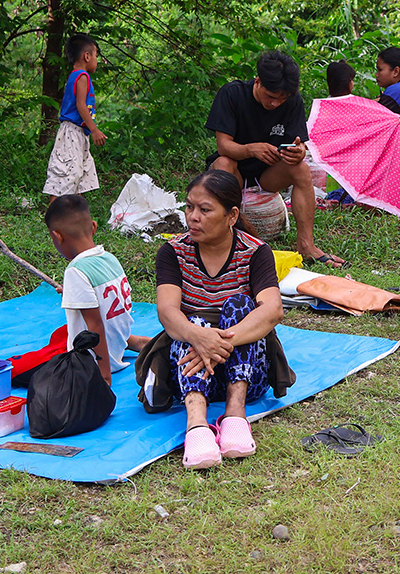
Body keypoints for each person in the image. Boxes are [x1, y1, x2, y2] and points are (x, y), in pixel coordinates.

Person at [150, 170, 294, 469]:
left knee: (240, 306)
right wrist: (198, 336)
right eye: (189, 207)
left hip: (247, 377)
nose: (193, 217)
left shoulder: (255, 252)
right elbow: (167, 312)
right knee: (193, 321)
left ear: (231, 216)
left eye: (204, 210)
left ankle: (235, 414)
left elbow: (273, 311)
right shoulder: (173, 252)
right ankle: (197, 424)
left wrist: (216, 342)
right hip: (186, 376)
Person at [205, 51, 345, 268]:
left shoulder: (292, 102)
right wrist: (251, 149)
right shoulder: (232, 94)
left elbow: (298, 142)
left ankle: (306, 245)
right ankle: (224, 243)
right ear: (258, 81)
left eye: (282, 98)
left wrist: (298, 151)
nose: (275, 104)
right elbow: (224, 145)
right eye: (271, 96)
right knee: (224, 163)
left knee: (300, 168)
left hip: (267, 173)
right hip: (235, 171)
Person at [45, 194, 148, 386]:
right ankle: (142, 343)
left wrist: (104, 377)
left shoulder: (75, 271)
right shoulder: (110, 259)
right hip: (116, 345)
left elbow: (95, 326)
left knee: (24, 368)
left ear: (57, 236)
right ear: (93, 227)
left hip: (92, 362)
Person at [43, 34, 106, 203]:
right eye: (96, 56)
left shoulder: (76, 75)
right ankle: (54, 218)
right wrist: (94, 130)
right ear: (87, 56)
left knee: (77, 177)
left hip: (78, 134)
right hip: (71, 132)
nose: (96, 60)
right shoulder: (82, 76)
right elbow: (80, 105)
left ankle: (72, 219)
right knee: (64, 178)